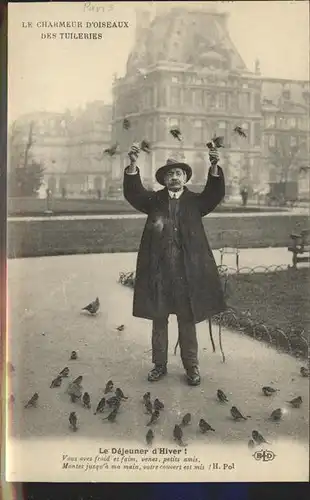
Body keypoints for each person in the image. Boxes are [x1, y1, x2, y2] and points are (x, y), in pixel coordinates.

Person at [123, 144, 226, 386]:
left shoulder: (195, 202)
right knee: (159, 319)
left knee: (186, 319)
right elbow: (134, 194)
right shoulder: (153, 201)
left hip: (186, 275)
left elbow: (214, 194)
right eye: (169, 174)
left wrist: (213, 166)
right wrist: (132, 165)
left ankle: (191, 367)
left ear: (185, 177)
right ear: (164, 179)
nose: (174, 177)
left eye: (178, 173)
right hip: (159, 273)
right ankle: (159, 365)